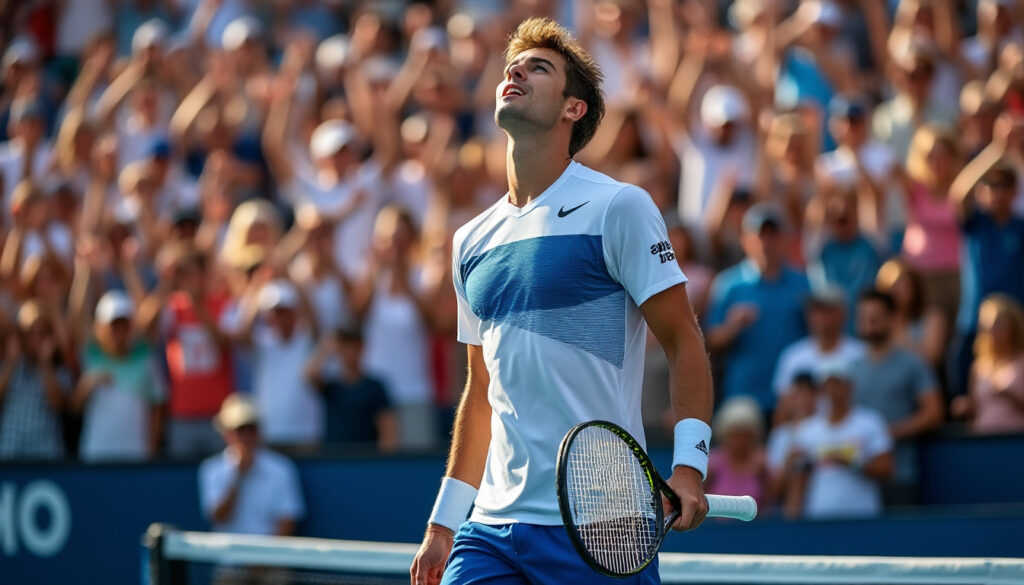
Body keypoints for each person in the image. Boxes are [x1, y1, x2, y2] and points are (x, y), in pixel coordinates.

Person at [411, 19, 714, 585]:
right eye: (512, 65)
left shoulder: (619, 207)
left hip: (604, 524)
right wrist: (444, 522)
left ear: (574, 109)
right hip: (491, 529)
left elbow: (683, 340)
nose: (515, 70)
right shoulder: (469, 239)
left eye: (538, 66)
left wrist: (690, 466)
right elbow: (481, 394)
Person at [706, 202, 810, 414]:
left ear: (785, 240)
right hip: (744, 397)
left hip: (793, 398)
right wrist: (732, 327)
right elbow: (710, 341)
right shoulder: (729, 284)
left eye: (773, 235)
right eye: (759, 235)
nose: (766, 242)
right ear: (745, 241)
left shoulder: (803, 284)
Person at [849, 290, 944, 505]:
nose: (869, 324)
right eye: (864, 318)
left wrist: (890, 432)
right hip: (858, 478)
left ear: (892, 319)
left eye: (876, 318)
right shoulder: (850, 370)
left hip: (900, 474)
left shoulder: (913, 363)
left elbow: (934, 413)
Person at [786, 359, 894, 519]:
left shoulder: (871, 423)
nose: (831, 390)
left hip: (862, 517)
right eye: (826, 385)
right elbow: (799, 480)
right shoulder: (807, 431)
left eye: (836, 383)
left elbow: (887, 468)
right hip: (819, 518)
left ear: (849, 386)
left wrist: (852, 463)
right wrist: (792, 522)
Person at [74, 290, 166, 462]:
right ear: (100, 328)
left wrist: (151, 451)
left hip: (136, 456)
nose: (118, 331)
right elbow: (74, 407)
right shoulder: (90, 356)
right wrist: (87, 384)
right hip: (95, 455)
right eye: (113, 325)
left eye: (124, 324)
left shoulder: (145, 357)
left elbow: (157, 407)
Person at [198, 393, 305, 536]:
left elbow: (286, 525)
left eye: (251, 429)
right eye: (240, 430)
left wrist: (265, 558)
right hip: (229, 558)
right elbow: (218, 518)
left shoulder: (282, 469)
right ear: (226, 434)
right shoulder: (211, 469)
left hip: (268, 557)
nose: (246, 436)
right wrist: (238, 476)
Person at [305, 327, 398, 452]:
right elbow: (309, 374)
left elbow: (387, 429)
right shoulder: (331, 387)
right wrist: (325, 348)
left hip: (367, 458)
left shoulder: (375, 386)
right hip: (335, 458)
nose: (350, 352)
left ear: (362, 348)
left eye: (355, 347)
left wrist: (384, 460)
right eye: (345, 347)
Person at [772, 285, 866, 398]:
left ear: (843, 313)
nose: (820, 317)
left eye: (826, 310)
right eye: (814, 311)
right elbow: (785, 403)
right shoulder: (792, 357)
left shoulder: (861, 354)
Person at [951, 294, 1024, 434]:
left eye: (999, 324)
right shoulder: (978, 367)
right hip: (985, 441)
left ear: (1013, 327)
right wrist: (967, 406)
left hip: (1017, 442)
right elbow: (975, 411)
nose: (993, 331)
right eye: (987, 326)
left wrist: (1008, 395)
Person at [705, 396, 767, 508]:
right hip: (718, 524)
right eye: (735, 435)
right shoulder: (713, 461)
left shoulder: (761, 461)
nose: (739, 441)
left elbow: (772, 500)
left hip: (754, 524)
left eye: (744, 435)